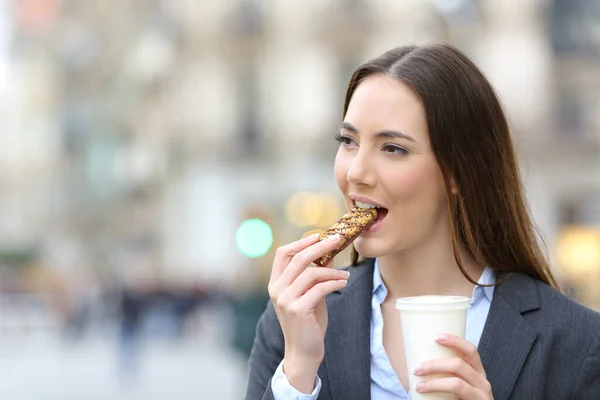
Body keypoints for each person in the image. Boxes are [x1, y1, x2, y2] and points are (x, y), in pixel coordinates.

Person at [244, 44, 600, 400]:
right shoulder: (294, 322)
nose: (356, 172)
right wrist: (300, 373)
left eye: (393, 148)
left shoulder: (576, 341)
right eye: (348, 141)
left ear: (460, 171)